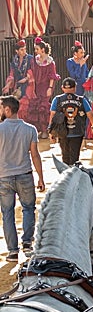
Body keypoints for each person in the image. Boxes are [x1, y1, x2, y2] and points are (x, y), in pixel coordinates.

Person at [0, 95, 44, 260]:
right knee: (28, 209)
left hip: (4, 176)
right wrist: (40, 177)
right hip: (25, 175)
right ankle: (27, 243)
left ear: (7, 110)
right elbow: (35, 155)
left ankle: (12, 251)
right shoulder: (30, 129)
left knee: (7, 213)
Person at [49, 78, 93, 166]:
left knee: (65, 156)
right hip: (77, 132)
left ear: (62, 88)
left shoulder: (57, 99)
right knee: (75, 157)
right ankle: (73, 174)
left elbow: (52, 115)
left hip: (62, 132)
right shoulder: (81, 100)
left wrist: (51, 132)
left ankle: (66, 175)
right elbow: (91, 114)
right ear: (75, 88)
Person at [26, 39, 57, 137]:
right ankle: (39, 130)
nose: (35, 51)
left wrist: (50, 87)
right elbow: (31, 71)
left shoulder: (50, 62)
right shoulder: (35, 60)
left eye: (37, 49)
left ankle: (45, 130)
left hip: (45, 87)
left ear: (43, 49)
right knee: (36, 107)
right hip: (36, 87)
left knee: (43, 107)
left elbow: (52, 76)